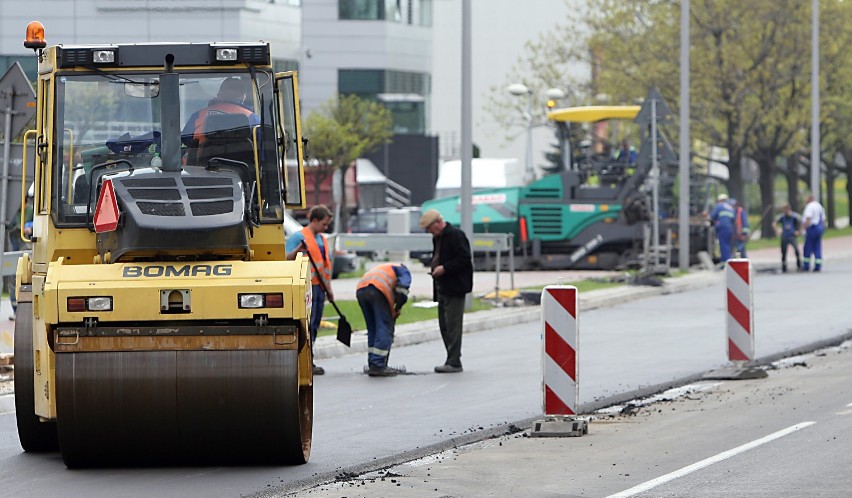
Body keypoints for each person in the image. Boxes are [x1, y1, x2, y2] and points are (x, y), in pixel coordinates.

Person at [419, 209, 473, 373]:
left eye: (430, 228)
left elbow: (464, 258)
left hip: (455, 286)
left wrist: (444, 268)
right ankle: (451, 358)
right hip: (442, 286)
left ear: (437, 223)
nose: (429, 232)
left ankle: (454, 361)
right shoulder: (438, 238)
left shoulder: (456, 235)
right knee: (444, 325)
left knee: (453, 325)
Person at [286, 205, 335, 375]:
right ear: (314, 221)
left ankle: (310, 359)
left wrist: (329, 289)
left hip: (320, 288)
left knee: (314, 325)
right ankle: (304, 362)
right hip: (307, 287)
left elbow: (325, 268)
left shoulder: (322, 239)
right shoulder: (299, 238)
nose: (326, 227)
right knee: (307, 325)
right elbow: (285, 259)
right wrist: (297, 251)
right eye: (324, 223)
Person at [356, 263, 412, 377]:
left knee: (373, 328)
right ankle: (378, 364)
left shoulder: (386, 267)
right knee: (384, 327)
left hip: (361, 290)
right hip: (378, 290)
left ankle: (373, 362)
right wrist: (398, 307)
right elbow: (402, 290)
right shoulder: (403, 270)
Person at [181, 77, 260, 148]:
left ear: (219, 94)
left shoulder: (199, 115)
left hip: (200, 163)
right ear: (242, 96)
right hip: (243, 163)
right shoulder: (252, 118)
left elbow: (186, 139)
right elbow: (261, 143)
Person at [4, 186, 34, 320]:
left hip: (26, 248)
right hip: (13, 248)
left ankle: (27, 310)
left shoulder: (31, 211)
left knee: (26, 277)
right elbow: (8, 225)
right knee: (12, 278)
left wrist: (30, 228)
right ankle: (15, 310)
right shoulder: (13, 212)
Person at [708, 193, 736, 263]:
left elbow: (712, 216)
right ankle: (728, 259)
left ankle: (725, 261)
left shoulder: (719, 206)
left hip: (722, 228)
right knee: (728, 244)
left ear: (719, 200)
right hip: (730, 228)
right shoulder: (730, 208)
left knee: (723, 244)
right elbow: (734, 219)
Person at [801, 194, 826, 272]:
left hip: (812, 228)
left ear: (809, 199)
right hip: (819, 228)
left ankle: (806, 266)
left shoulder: (810, 206)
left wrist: (803, 229)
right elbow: (823, 220)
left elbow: (808, 219)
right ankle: (818, 266)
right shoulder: (819, 206)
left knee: (808, 247)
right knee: (817, 247)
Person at [775, 203, 802, 273]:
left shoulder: (795, 216)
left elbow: (801, 223)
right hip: (784, 236)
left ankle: (799, 265)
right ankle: (784, 266)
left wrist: (798, 231)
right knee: (783, 252)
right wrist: (777, 230)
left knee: (796, 250)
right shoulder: (782, 217)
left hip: (792, 236)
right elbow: (774, 223)